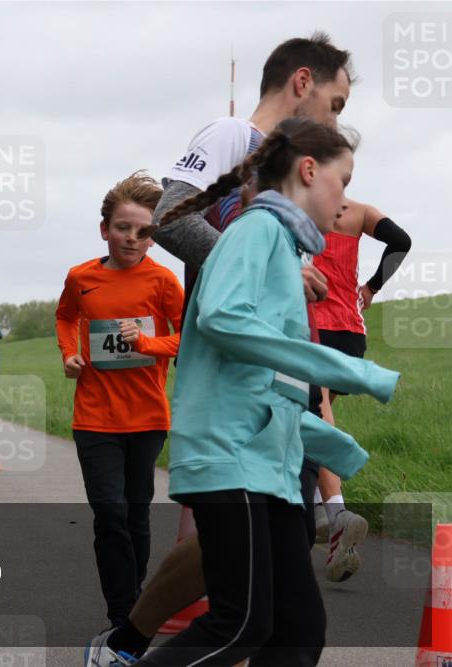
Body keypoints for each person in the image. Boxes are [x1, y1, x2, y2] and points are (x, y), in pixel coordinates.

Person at [96, 33, 361, 663]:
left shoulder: (290, 174)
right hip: (231, 398)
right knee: (249, 611)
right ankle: (126, 642)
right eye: (336, 102)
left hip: (272, 395)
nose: (335, 120)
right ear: (302, 82)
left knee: (280, 603)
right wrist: (265, 265)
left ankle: (129, 642)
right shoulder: (232, 135)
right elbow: (169, 216)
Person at [131, 118, 400, 667]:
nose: (345, 205)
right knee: (241, 626)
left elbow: (266, 384)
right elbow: (225, 319)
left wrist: (332, 445)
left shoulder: (285, 248)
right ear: (308, 171)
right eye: (342, 183)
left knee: (298, 628)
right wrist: (354, 373)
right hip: (233, 461)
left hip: (269, 468)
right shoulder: (257, 232)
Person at [56, 172, 184, 641]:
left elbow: (187, 336)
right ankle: (122, 614)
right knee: (109, 513)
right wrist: (68, 353)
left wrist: (147, 343)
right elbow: (66, 316)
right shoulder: (81, 277)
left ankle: (137, 605)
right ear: (104, 228)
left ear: (154, 236)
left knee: (136, 514)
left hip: (147, 418)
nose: (132, 238)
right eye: (123, 228)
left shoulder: (164, 280)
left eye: (144, 231)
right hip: (94, 418)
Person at [310, 199, 412, 580]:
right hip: (350, 329)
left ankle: (336, 514)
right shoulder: (359, 211)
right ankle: (317, 512)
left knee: (315, 414)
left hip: (312, 324)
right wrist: (370, 288)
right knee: (316, 415)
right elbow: (401, 240)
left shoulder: (301, 207)